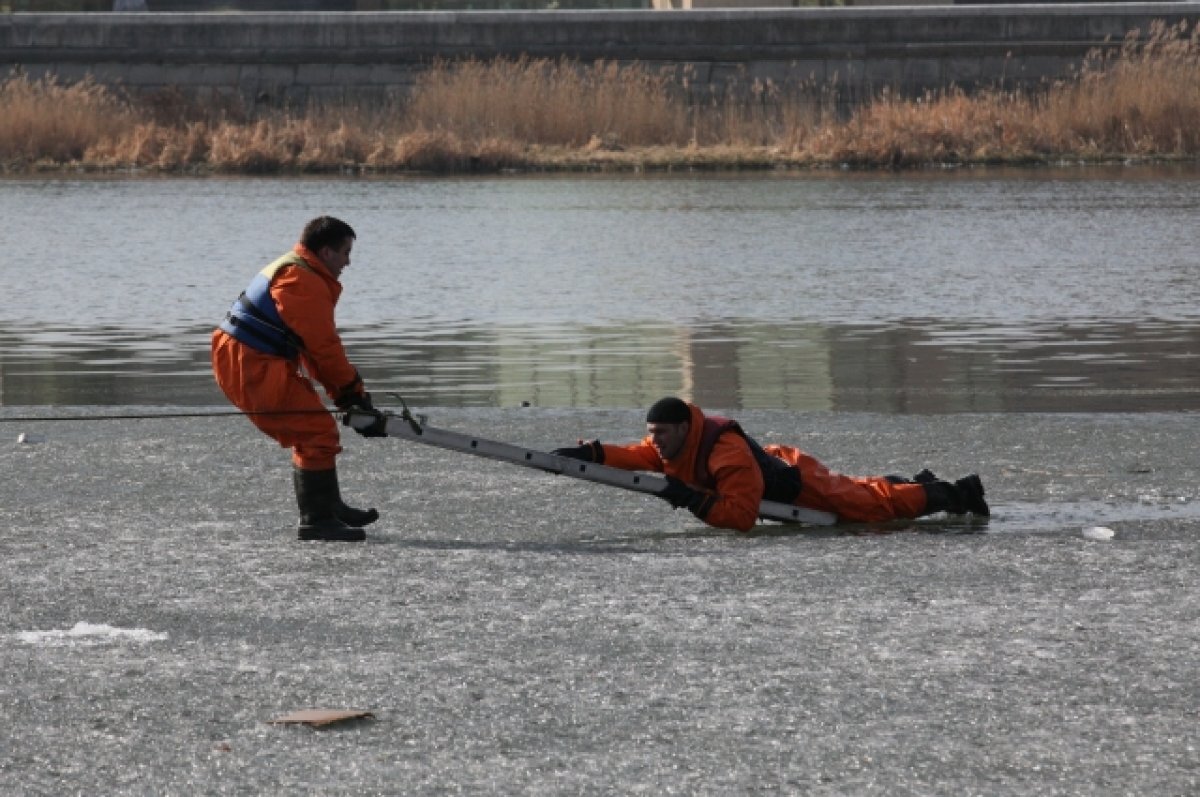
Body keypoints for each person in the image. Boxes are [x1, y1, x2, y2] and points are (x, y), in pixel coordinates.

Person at [552, 396, 989, 533]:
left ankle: (956, 493)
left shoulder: (726, 456)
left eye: (662, 433)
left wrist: (691, 500)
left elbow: (741, 517)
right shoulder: (672, 443)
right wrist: (592, 453)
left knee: (873, 507)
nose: (655, 442)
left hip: (796, 484)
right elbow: (636, 454)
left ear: (684, 428)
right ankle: (910, 481)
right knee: (864, 492)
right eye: (653, 433)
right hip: (771, 464)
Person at [211, 216, 385, 542]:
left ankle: (329, 506)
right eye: (346, 252)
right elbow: (323, 347)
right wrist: (352, 393)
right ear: (326, 251)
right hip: (250, 363)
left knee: (314, 427)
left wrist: (347, 397)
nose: (349, 261)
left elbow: (312, 350)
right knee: (316, 430)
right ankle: (317, 519)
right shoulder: (302, 281)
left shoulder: (302, 271)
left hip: (252, 357)